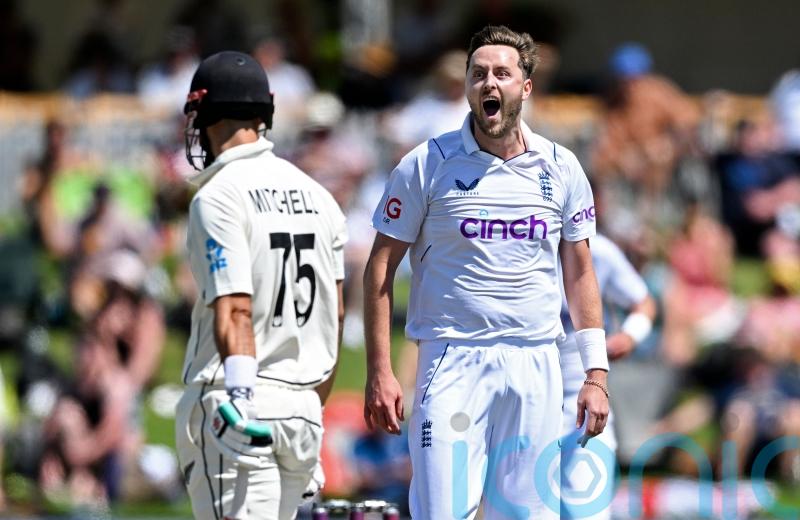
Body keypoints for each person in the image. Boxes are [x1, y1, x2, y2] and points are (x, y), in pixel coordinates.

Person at [363, 25, 610, 519]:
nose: (489, 84)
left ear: (526, 87)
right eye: (478, 74)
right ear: (467, 86)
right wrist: (380, 370)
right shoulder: (426, 165)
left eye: (502, 73)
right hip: (453, 359)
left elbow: (580, 273)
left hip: (536, 363)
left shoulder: (561, 168)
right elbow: (380, 268)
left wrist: (595, 374)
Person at [174, 51, 347, 519]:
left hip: (238, 402)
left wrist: (240, 401)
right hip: (303, 409)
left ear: (204, 114)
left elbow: (235, 309)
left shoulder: (217, 196)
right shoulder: (320, 196)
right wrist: (311, 410)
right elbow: (335, 319)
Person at [558, 233, 657, 519]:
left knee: (587, 511)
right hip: (523, 402)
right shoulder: (516, 242)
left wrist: (629, 336)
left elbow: (644, 302)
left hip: (581, 406)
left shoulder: (599, 251)